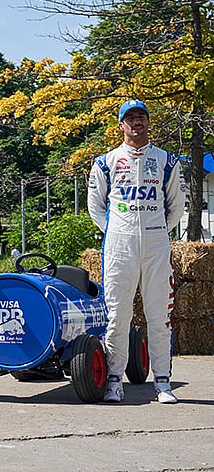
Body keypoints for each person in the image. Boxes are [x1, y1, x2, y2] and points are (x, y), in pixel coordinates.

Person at [87, 100, 185, 404]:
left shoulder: (168, 161)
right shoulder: (106, 161)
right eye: (130, 118)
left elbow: (177, 206)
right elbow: (95, 206)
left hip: (156, 244)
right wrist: (119, 230)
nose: (136, 122)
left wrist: (155, 229)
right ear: (121, 125)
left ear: (147, 122)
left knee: (159, 316)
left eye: (141, 117)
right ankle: (114, 381)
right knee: (118, 314)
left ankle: (163, 383)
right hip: (119, 244)